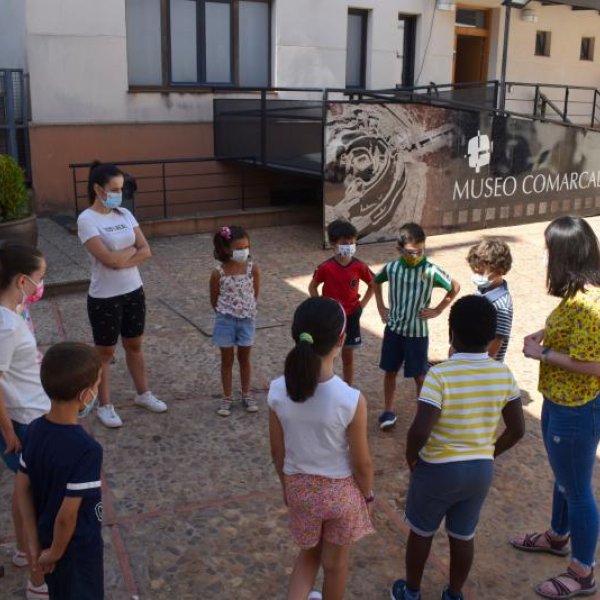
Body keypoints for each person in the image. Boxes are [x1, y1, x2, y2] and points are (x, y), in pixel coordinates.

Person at [390, 295, 525, 600]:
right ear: (492, 338)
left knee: (421, 531)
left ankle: (410, 591)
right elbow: (517, 429)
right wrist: (489, 453)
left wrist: (412, 457)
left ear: (452, 334)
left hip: (437, 469)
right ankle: (454, 593)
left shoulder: (439, 375)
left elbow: (420, 429)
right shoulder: (503, 374)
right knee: (463, 535)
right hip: (479, 471)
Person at [512, 216, 600, 599]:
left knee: (578, 489)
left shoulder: (590, 303)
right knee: (563, 478)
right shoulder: (580, 291)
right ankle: (557, 535)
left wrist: (543, 352)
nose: (546, 256)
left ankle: (583, 570)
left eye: (550, 250)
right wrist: (545, 333)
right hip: (561, 400)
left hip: (575, 409)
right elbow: (572, 331)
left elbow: (595, 363)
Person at [268, 296, 374, 600]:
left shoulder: (277, 390)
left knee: (308, 557)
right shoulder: (351, 399)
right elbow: (362, 462)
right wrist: (367, 495)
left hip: (300, 488)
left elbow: (278, 452)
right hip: (340, 495)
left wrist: (286, 486)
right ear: (342, 339)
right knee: (336, 567)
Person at [77, 161, 166, 428]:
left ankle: (143, 393)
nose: (119, 194)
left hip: (133, 291)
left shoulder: (125, 214)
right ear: (98, 189)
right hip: (105, 297)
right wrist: (129, 253)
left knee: (134, 345)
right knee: (104, 353)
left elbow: (146, 250)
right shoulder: (87, 219)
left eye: (121, 188)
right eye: (114, 189)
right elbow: (107, 259)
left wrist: (121, 257)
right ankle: (105, 405)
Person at [16, 342, 104, 600]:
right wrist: (54, 553)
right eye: (97, 385)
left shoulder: (33, 430)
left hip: (44, 540)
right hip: (75, 551)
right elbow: (67, 517)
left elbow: (22, 489)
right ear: (85, 395)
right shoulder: (87, 450)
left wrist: (34, 546)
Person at [0, 242, 50, 600]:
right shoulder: (6, 326)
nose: (39, 286)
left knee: (23, 491)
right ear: (21, 281)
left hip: (25, 415)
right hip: (26, 422)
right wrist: (7, 432)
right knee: (37, 503)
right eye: (39, 279)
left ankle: (21, 551)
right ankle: (38, 579)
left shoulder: (12, 316)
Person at [374, 222, 460, 430]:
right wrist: (381, 308)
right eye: (411, 252)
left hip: (417, 333)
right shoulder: (392, 268)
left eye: (420, 252)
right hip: (394, 330)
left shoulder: (430, 271)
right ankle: (388, 410)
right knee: (390, 371)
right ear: (399, 249)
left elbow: (454, 286)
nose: (416, 257)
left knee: (419, 375)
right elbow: (376, 281)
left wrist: (438, 309)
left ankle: (424, 415)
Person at [308, 219, 374, 386]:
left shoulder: (360, 266)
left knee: (348, 356)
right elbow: (313, 287)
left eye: (352, 242)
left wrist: (362, 305)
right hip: (332, 317)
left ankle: (347, 387)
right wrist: (321, 306)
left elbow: (373, 284)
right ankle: (322, 382)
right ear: (333, 245)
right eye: (345, 243)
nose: (349, 246)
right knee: (325, 352)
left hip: (351, 315)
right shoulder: (325, 267)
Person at [210, 225, 260, 416]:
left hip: (247, 319)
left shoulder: (252, 268)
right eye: (238, 248)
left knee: (245, 359)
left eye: (246, 247)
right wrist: (227, 312)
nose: (243, 252)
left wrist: (245, 309)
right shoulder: (218, 273)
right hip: (225, 321)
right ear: (225, 249)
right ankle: (227, 396)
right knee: (227, 360)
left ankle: (247, 394)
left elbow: (255, 292)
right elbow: (214, 299)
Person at [467, 239, 513, 362]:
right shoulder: (481, 290)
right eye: (475, 271)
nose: (478, 276)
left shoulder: (502, 305)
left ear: (500, 270)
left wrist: (480, 363)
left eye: (482, 272)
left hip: (483, 366)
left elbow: (497, 340)